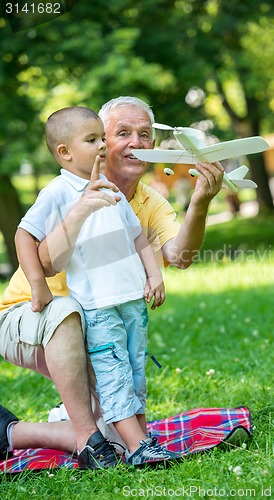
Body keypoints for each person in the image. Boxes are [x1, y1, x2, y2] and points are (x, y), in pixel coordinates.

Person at [0, 96, 224, 467]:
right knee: (67, 311)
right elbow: (45, 262)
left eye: (145, 134)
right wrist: (81, 210)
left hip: (100, 320)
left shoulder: (140, 199)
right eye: (121, 133)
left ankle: (55, 425)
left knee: (119, 438)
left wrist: (199, 202)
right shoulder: (63, 192)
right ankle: (71, 430)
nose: (136, 142)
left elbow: (177, 256)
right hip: (33, 319)